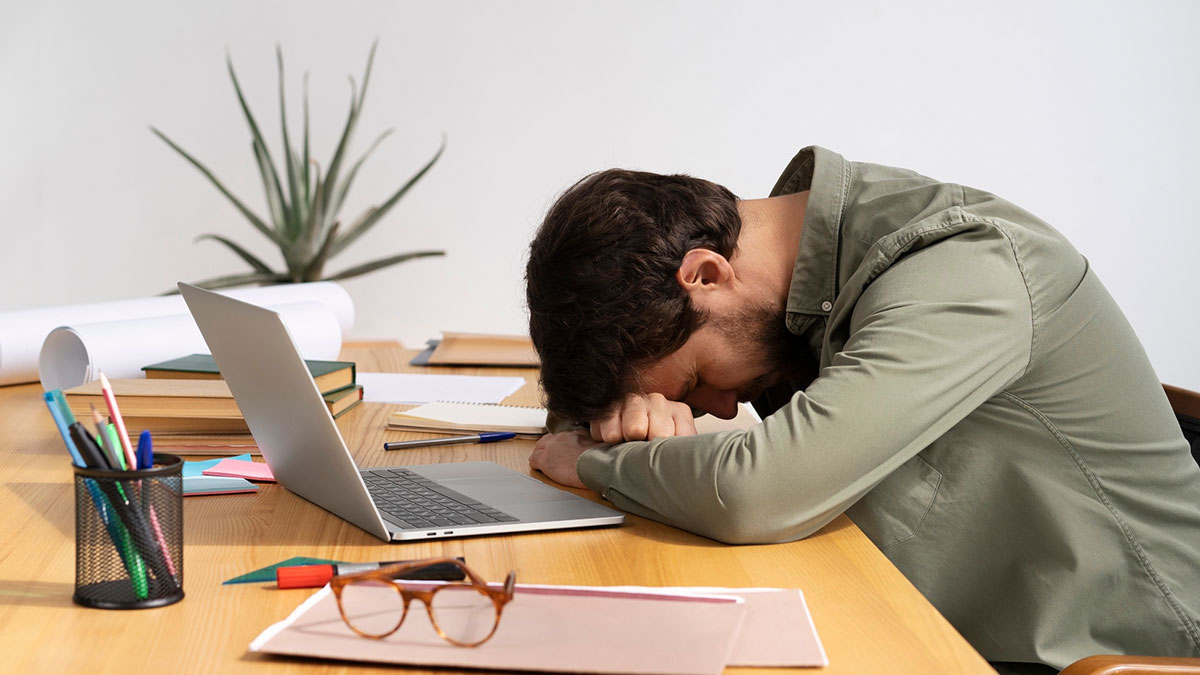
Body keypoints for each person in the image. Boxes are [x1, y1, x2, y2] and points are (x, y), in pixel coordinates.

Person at [524, 146, 1200, 672]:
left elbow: (757, 489)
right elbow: (586, 391)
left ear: (705, 274)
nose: (723, 408)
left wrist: (596, 462)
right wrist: (620, 416)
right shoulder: (792, 295)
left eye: (699, 379)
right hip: (939, 623)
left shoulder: (967, 268)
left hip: (1108, 654)